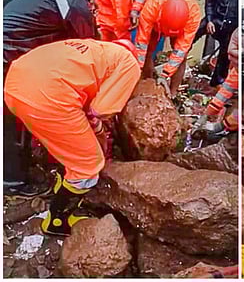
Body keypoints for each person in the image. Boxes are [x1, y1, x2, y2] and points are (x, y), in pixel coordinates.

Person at [3, 0, 118, 197]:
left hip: (10, 46)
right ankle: (12, 182)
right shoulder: (74, 1)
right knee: (12, 116)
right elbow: (88, 49)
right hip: (5, 52)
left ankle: (18, 168)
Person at [4, 38, 141, 235]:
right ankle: (57, 221)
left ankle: (63, 182)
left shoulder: (94, 48)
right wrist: (100, 133)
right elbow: (100, 110)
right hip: (47, 97)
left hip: (14, 86)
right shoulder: (129, 63)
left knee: (68, 145)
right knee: (88, 165)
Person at [135, 0, 201, 97]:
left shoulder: (193, 17)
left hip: (181, 24)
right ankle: (146, 83)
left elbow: (181, 50)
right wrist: (136, 70)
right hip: (156, 17)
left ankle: (173, 93)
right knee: (148, 52)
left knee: (182, 58)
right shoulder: (150, 9)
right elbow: (142, 43)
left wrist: (165, 75)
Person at [193, 0, 238, 87]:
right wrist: (210, 20)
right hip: (215, 19)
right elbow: (210, 0)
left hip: (231, 25)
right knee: (192, 34)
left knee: (224, 55)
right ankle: (175, 61)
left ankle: (216, 84)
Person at [193, 28, 240, 136]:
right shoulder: (235, 71)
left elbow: (241, 111)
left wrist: (220, 126)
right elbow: (222, 96)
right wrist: (205, 116)